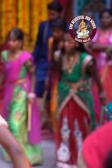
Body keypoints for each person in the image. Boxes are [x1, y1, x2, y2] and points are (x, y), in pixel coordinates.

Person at [54, 33, 105, 167]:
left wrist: (101, 93)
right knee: (65, 125)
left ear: (77, 43)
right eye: (64, 41)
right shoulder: (60, 56)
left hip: (81, 97)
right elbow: (58, 76)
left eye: (69, 42)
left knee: (81, 126)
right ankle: (65, 160)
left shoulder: (86, 60)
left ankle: (82, 159)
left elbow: (97, 79)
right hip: (64, 95)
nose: (65, 44)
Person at [0, 28, 42, 165]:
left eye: (14, 40)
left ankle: (21, 154)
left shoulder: (25, 57)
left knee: (16, 123)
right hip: (9, 90)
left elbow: (33, 74)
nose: (11, 43)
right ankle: (13, 151)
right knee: (9, 121)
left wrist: (32, 92)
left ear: (20, 42)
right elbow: (3, 73)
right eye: (9, 40)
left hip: (22, 91)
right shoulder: (5, 55)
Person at [33, 1, 65, 127]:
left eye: (53, 14)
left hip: (58, 64)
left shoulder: (65, 26)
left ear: (59, 13)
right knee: (40, 89)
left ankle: (54, 118)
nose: (51, 17)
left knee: (54, 90)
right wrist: (34, 61)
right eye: (49, 14)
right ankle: (43, 117)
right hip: (43, 62)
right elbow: (38, 44)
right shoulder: (44, 26)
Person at [88, 8, 112, 123]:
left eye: (108, 17)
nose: (105, 20)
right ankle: (99, 122)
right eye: (103, 17)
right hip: (98, 70)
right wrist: (108, 48)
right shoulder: (95, 32)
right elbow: (92, 46)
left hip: (110, 71)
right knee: (98, 95)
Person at [47, 18, 67, 133]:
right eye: (53, 31)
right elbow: (50, 60)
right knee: (54, 104)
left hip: (66, 75)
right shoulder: (51, 41)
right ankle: (57, 130)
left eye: (57, 32)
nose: (55, 34)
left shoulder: (68, 42)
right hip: (55, 75)